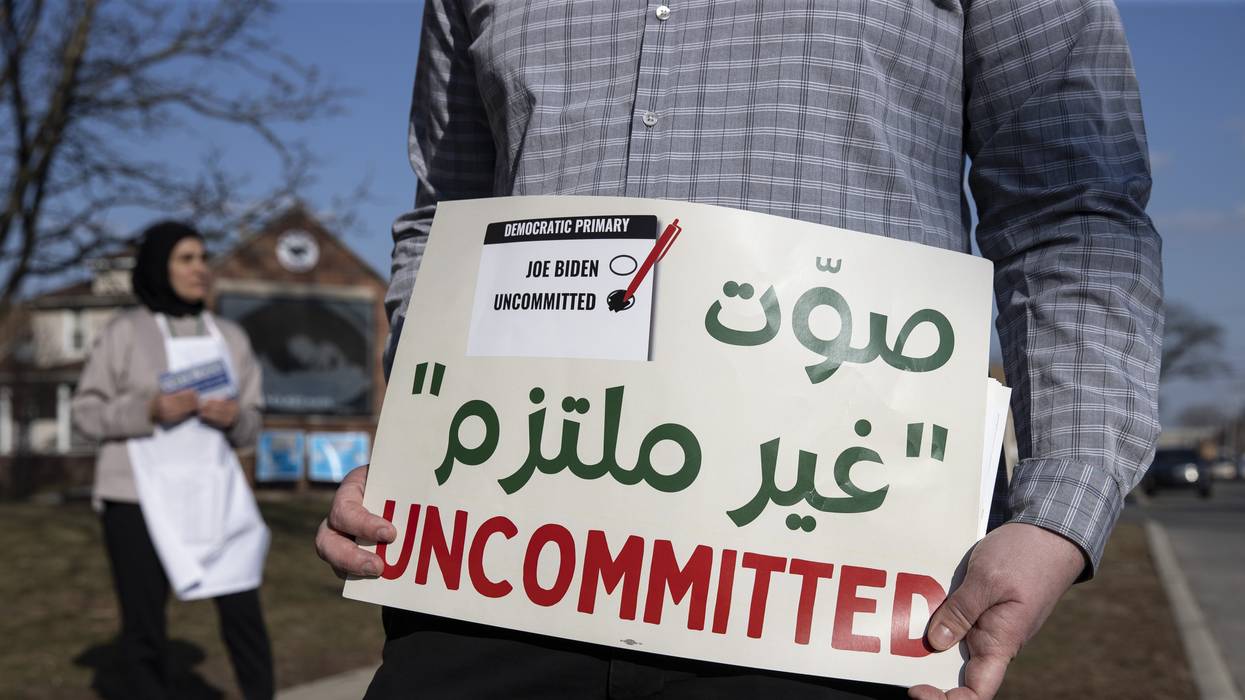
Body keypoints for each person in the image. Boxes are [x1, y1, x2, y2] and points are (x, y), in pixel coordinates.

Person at [316, 1, 1163, 698]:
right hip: (493, 569)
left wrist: (1060, 509)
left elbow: (1068, 210)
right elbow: (447, 213)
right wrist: (414, 450)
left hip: (827, 592)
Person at [73, 221, 274, 700]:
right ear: (159, 266)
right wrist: (148, 410)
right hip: (136, 498)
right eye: (186, 259)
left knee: (243, 608)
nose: (199, 269)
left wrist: (234, 418)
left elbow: (253, 424)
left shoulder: (230, 336)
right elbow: (84, 413)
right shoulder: (125, 333)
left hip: (213, 493)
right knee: (144, 623)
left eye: (203, 258)